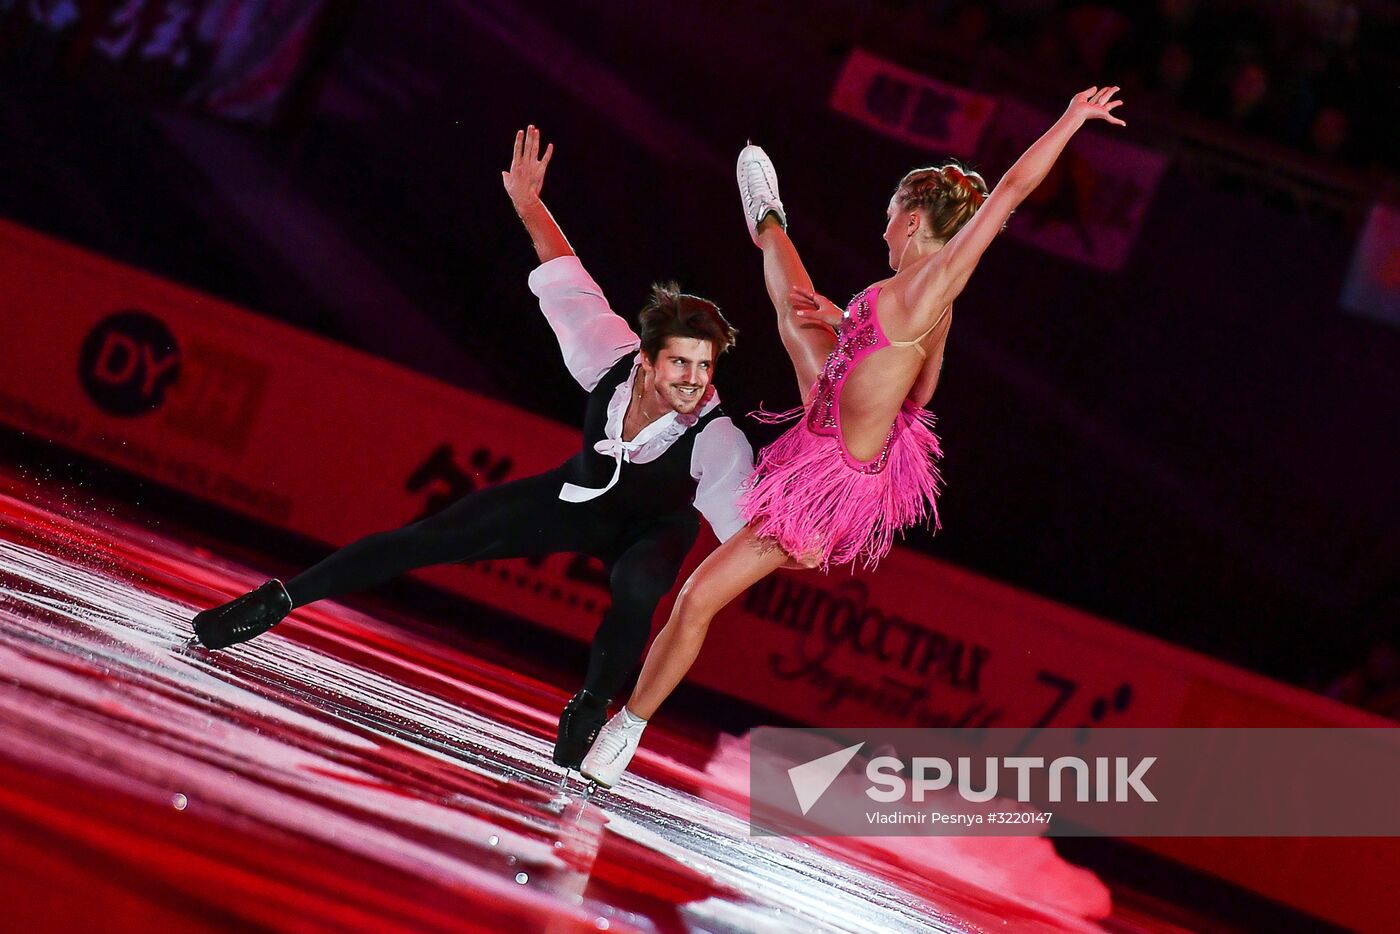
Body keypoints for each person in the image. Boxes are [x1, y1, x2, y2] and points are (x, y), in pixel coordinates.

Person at [580, 87, 1128, 788]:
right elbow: (922, 394)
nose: (883, 233)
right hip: (829, 419)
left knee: (695, 599)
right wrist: (853, 329)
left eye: (890, 219)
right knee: (795, 313)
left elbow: (1013, 191)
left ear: (917, 219)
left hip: (827, 487)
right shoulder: (921, 297)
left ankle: (624, 731)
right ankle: (768, 219)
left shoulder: (934, 284)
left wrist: (1071, 121)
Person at [190, 126, 754, 772]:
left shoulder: (717, 441)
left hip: (654, 532)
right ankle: (279, 600)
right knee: (433, 536)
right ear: (649, 360)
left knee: (638, 585)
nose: (692, 380)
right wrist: (529, 206)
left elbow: (752, 544)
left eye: (704, 367)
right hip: (578, 497)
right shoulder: (607, 351)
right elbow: (568, 277)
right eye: (680, 363)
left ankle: (590, 706)